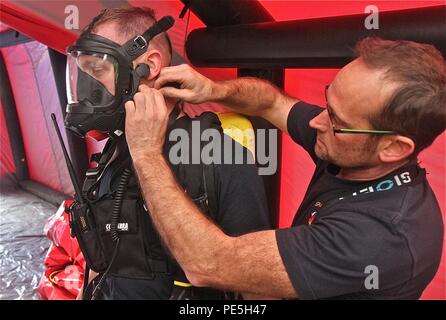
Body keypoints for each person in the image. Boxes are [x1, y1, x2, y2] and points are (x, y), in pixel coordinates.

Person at [124, 37, 445, 299]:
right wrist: (212, 90)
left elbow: (206, 263)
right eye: (328, 102)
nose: (317, 121)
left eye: (336, 121)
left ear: (393, 148)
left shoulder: (379, 237)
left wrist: (146, 151)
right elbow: (272, 103)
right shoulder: (354, 145)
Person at [67, 6, 271, 300]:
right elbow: (104, 264)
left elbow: (259, 291)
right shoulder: (111, 155)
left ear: (149, 66)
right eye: (83, 73)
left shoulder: (222, 159)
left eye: (97, 71)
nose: (87, 89)